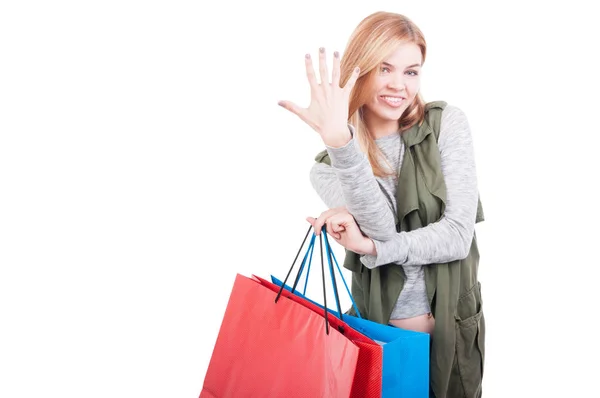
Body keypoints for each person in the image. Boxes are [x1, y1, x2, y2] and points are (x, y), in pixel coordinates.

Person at [278, 10, 485, 398]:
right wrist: (340, 141)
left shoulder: (446, 126)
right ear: (360, 71)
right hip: (377, 344)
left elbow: (457, 235)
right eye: (384, 68)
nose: (399, 85)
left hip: (452, 340)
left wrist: (375, 249)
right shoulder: (329, 167)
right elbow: (382, 224)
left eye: (411, 71)